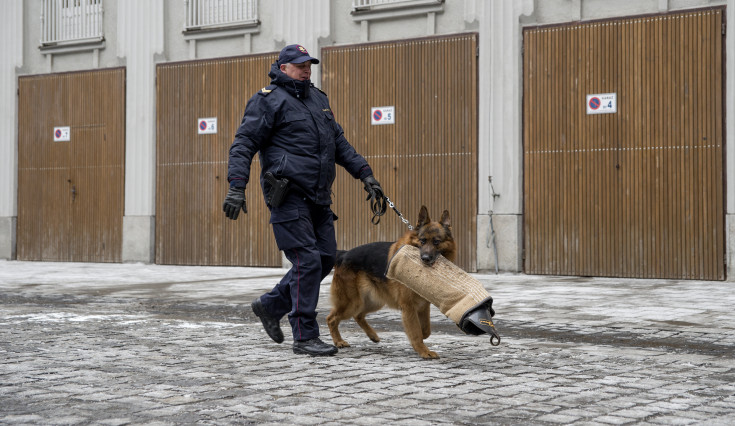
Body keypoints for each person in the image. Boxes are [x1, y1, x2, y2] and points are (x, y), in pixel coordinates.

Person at [222, 44, 384, 356]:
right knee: (307, 260)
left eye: (308, 64)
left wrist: (365, 174)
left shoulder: (318, 98)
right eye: (299, 65)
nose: (306, 69)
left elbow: (338, 142)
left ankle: (270, 306)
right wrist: (236, 186)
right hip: (288, 194)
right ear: (283, 68)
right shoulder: (267, 100)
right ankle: (305, 335)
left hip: (319, 197)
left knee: (325, 259)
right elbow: (244, 143)